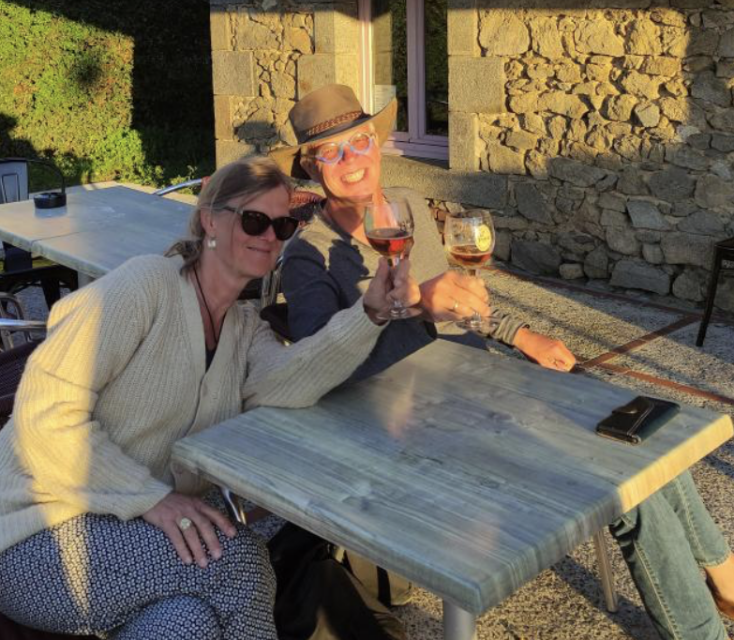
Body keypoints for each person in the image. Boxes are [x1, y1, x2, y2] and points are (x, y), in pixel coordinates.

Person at [271, 84, 734, 640]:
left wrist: (521, 334)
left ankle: (726, 580)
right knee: (623, 484)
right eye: (331, 151)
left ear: (378, 142)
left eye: (361, 141)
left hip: (485, 386)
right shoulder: (308, 255)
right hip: (423, 430)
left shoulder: (407, 206)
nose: (352, 160)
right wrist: (414, 307)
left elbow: (458, 303)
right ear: (310, 166)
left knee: (644, 433)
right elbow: (321, 376)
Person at [0, 155, 419, 640]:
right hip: (41, 531)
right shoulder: (145, 287)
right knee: (235, 559)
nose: (269, 235)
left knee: (188, 623)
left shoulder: (242, 327)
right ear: (209, 220)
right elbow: (44, 415)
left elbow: (291, 379)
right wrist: (152, 498)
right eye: (254, 220)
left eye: (283, 225)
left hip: (134, 526)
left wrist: (369, 314)